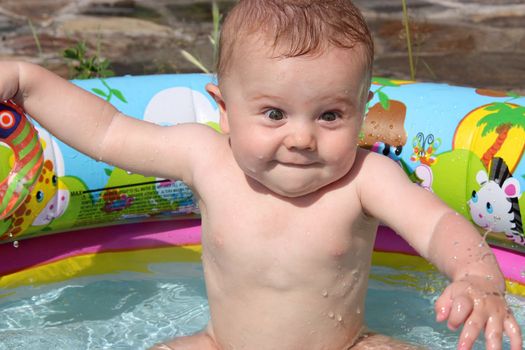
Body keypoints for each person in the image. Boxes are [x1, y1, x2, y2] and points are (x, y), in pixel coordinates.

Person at [0, 0, 522, 349]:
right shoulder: (205, 156)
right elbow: (108, 130)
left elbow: (438, 226)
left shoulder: (366, 178)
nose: (301, 137)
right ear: (224, 110)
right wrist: (27, 82)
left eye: (330, 115)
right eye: (274, 114)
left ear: (363, 111)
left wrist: (477, 276)